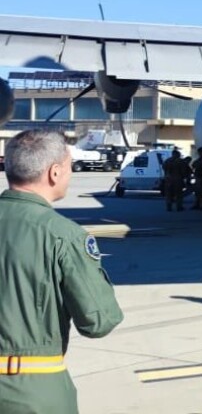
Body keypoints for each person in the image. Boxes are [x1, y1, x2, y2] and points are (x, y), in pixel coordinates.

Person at [0, 130, 124, 413]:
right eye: (68, 167)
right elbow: (99, 321)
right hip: (31, 390)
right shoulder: (63, 235)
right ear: (54, 173)